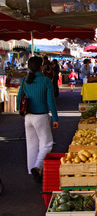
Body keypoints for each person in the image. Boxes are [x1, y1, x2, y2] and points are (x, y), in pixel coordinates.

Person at [17, 55, 59, 183]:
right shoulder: (46, 81)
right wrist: (56, 118)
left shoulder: (25, 80)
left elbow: (19, 99)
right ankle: (37, 167)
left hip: (28, 117)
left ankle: (32, 170)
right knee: (47, 144)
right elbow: (51, 101)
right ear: (41, 66)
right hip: (40, 116)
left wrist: (23, 114)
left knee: (31, 144)